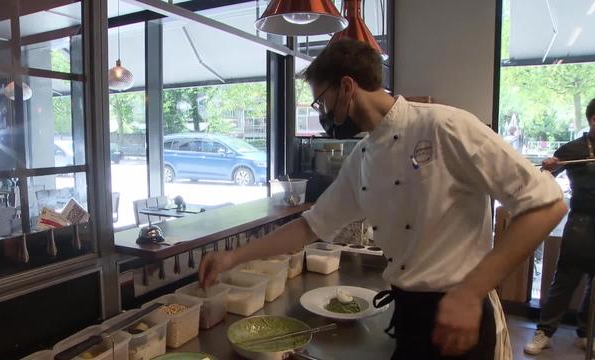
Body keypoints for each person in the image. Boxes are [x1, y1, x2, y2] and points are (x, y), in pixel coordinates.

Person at [199, 39, 567, 360]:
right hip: (409, 315)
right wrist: (232, 257)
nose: (322, 114)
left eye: (320, 102)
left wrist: (470, 294)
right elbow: (310, 226)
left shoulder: (445, 126)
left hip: (461, 313)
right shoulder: (363, 155)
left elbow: (548, 205)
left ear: (346, 87)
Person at [524, 95, 595, 359]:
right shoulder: (574, 149)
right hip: (581, 224)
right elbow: (543, 178)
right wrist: (549, 166)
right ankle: (545, 333)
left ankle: (588, 334)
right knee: (566, 281)